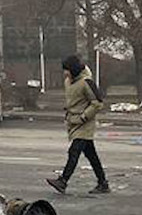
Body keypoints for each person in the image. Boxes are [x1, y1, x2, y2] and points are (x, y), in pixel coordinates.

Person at [46, 55, 109, 195]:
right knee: (91, 155)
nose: (65, 73)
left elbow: (97, 103)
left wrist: (84, 116)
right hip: (73, 122)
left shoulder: (87, 82)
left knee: (73, 152)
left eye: (67, 70)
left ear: (73, 70)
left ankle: (63, 181)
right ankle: (103, 183)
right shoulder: (68, 81)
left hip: (84, 123)